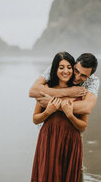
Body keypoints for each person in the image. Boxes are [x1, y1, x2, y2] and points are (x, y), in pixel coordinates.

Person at [31, 52, 87, 181]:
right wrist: (48, 112)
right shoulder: (46, 89)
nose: (65, 71)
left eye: (69, 67)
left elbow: (83, 126)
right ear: (55, 69)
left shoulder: (80, 92)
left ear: (73, 69)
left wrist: (70, 116)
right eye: (61, 67)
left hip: (71, 141)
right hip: (49, 139)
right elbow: (35, 119)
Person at [29, 53, 100, 115]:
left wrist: (53, 104)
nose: (77, 77)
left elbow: (86, 108)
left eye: (83, 75)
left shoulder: (93, 81)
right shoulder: (59, 67)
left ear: (90, 76)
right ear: (74, 64)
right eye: (76, 70)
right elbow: (33, 91)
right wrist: (69, 92)